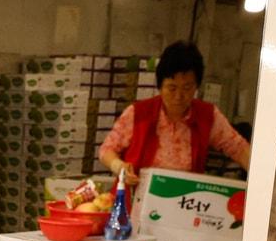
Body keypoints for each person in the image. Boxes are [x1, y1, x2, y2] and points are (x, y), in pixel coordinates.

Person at [97, 41, 251, 183]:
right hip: (135, 200)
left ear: (196, 86)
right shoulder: (137, 113)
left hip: (184, 201)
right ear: (160, 86)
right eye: (172, 88)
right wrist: (119, 167)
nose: (179, 96)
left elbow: (238, 147)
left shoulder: (207, 115)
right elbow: (107, 150)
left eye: (187, 88)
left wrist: (264, 178)